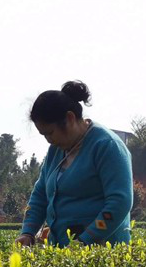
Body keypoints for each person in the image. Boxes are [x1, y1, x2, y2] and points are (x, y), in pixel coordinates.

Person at [16, 80, 133, 248]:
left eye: (50, 133)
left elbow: (120, 201)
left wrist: (85, 240)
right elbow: (40, 195)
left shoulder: (107, 145)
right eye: (44, 135)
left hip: (102, 251)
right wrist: (27, 232)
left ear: (70, 118)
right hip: (63, 249)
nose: (49, 140)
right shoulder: (55, 151)